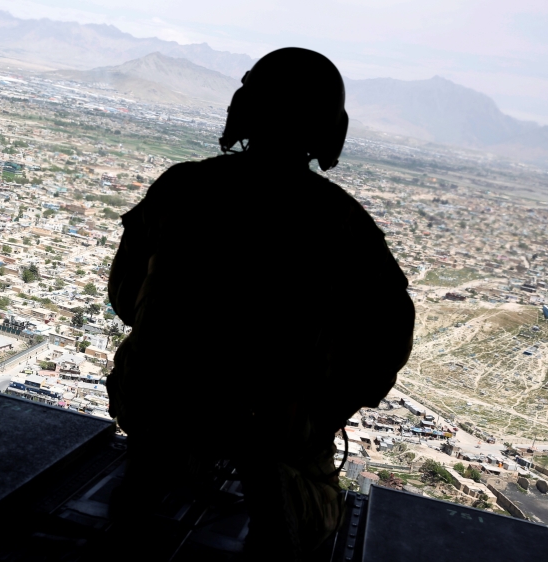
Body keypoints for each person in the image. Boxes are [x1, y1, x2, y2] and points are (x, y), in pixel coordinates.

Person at [106, 47, 415, 558]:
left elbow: (124, 295)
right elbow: (385, 346)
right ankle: (283, 495)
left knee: (156, 446)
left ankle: (155, 471)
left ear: (244, 109)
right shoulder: (345, 224)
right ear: (328, 130)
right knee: (307, 504)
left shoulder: (182, 188)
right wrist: (321, 405)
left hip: (157, 402)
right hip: (275, 425)